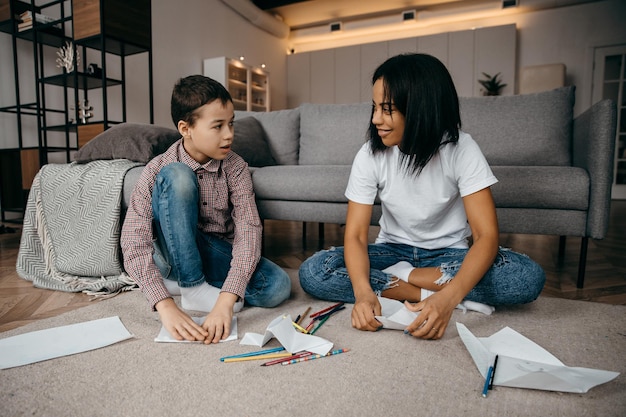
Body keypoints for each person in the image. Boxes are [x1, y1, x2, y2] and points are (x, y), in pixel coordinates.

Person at [298, 53, 545, 340]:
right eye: (375, 107)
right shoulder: (371, 153)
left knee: (527, 277)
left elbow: (486, 236)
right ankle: (428, 290)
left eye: (387, 109)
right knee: (315, 271)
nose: (376, 119)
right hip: (392, 251)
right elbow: (354, 235)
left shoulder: (461, 148)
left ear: (419, 109)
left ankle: (405, 280)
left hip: (449, 256)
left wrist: (447, 300)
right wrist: (363, 293)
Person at [121, 75, 291, 345]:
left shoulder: (236, 167)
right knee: (177, 176)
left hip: (214, 251)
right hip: (169, 253)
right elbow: (133, 240)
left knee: (277, 287)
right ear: (185, 128)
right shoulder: (157, 169)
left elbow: (248, 231)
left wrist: (225, 300)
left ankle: (184, 284)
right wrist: (163, 305)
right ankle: (191, 286)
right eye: (218, 126)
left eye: (231, 123)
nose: (229, 134)